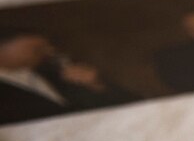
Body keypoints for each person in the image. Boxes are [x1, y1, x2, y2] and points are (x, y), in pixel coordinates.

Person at [0, 29, 132, 123]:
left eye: (47, 46)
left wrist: (96, 85)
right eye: (37, 47)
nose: (49, 51)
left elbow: (130, 103)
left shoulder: (55, 72)